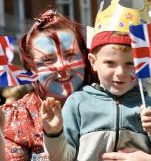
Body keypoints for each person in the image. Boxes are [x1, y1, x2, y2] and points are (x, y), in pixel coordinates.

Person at [42, 31, 151, 161]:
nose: (120, 72)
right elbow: (62, 157)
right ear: (93, 62)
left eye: (130, 64)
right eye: (110, 63)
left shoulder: (150, 107)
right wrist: (54, 133)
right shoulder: (78, 103)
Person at [2, 9, 96, 160]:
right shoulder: (18, 117)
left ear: (85, 57)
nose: (62, 66)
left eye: (70, 55)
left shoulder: (113, 101)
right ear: (32, 67)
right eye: (48, 60)